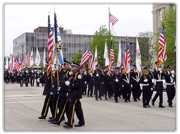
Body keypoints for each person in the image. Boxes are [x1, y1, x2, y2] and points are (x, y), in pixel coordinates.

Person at [63, 61, 85, 128]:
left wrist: (70, 84)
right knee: (78, 109)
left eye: (73, 67)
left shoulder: (78, 75)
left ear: (76, 67)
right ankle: (81, 122)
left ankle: (70, 123)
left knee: (71, 108)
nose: (71, 68)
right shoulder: (74, 74)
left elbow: (78, 84)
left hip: (75, 94)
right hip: (72, 93)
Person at [51, 60, 71, 125]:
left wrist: (68, 91)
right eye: (64, 65)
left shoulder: (69, 72)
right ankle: (66, 119)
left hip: (66, 91)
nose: (64, 66)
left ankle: (59, 119)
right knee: (63, 106)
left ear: (67, 66)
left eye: (65, 65)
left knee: (64, 106)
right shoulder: (61, 71)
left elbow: (69, 82)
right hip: (61, 91)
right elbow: (59, 79)